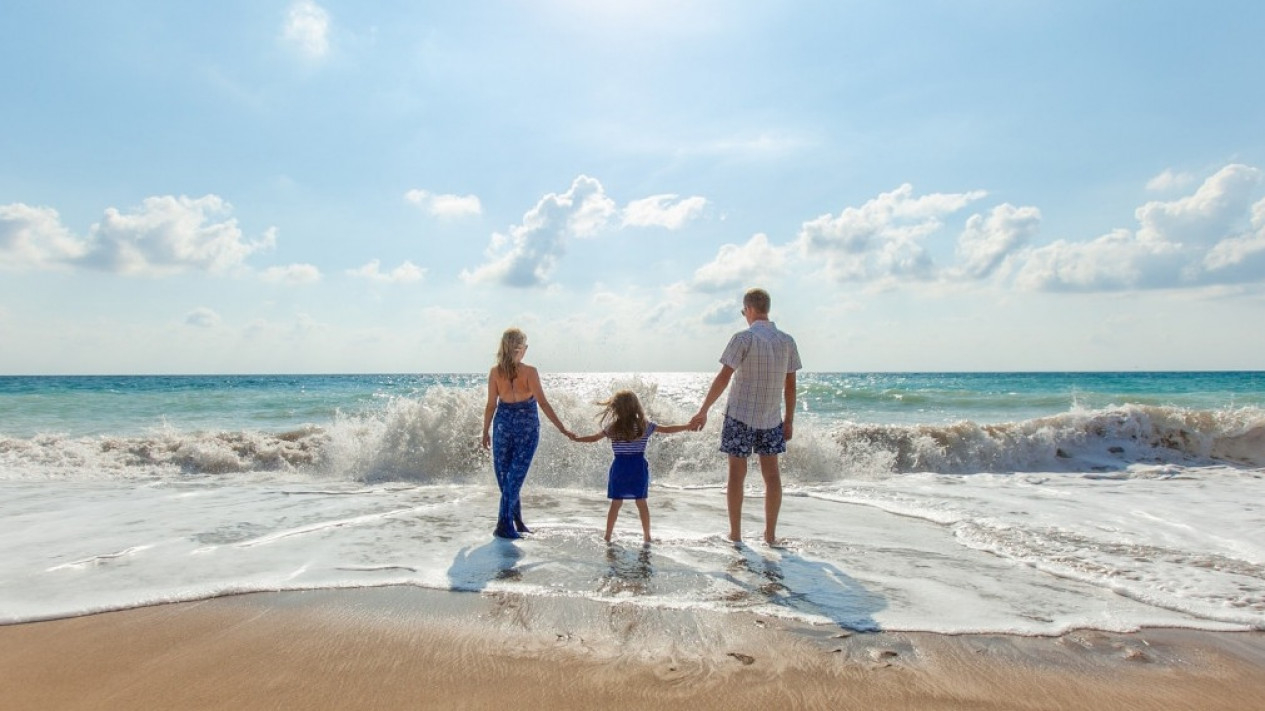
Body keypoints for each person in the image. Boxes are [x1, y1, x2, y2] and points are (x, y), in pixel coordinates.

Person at [690, 288, 801, 545]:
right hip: (772, 418)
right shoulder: (787, 341)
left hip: (739, 415)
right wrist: (790, 420)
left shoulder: (743, 338)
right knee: (772, 476)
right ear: (767, 309)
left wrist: (704, 410)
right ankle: (770, 536)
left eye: (743, 312)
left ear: (749, 309)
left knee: (736, 476)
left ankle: (736, 535)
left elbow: (723, 377)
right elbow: (791, 387)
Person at [481, 328, 573, 539]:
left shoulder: (495, 372)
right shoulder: (529, 372)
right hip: (526, 428)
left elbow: (490, 406)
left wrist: (485, 431)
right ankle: (504, 525)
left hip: (503, 426)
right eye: (525, 346)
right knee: (512, 478)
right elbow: (542, 402)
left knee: (508, 478)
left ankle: (517, 522)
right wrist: (562, 428)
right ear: (521, 348)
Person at [570, 390, 692, 544]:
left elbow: (594, 438)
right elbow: (667, 429)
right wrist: (688, 426)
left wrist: (577, 439)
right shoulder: (644, 426)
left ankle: (608, 536)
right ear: (636, 407)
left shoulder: (613, 427)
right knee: (641, 502)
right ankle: (647, 536)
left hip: (620, 468)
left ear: (616, 408)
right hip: (638, 468)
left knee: (616, 503)